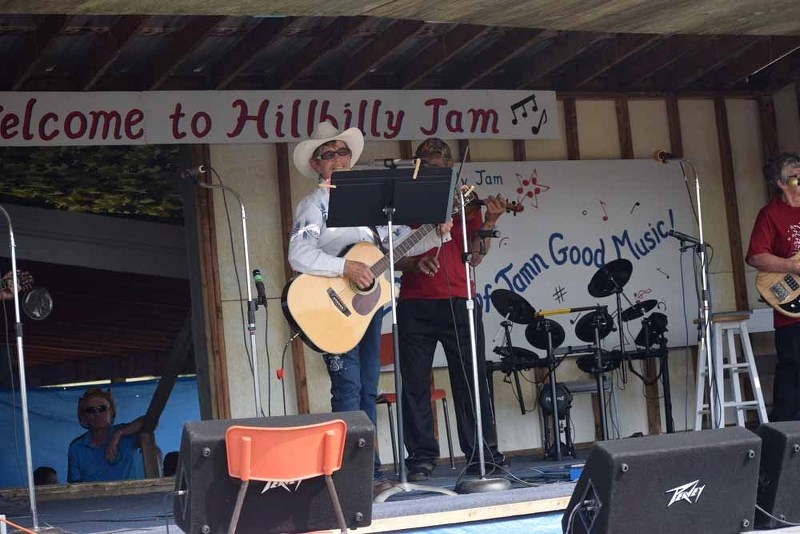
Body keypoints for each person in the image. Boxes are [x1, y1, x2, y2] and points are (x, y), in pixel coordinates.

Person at [288, 121, 450, 494]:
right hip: (331, 310)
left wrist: (430, 232)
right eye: (328, 155)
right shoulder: (313, 206)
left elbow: (392, 246)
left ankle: (371, 473)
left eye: (341, 152)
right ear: (316, 165)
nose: (338, 159)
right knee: (347, 388)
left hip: (368, 308)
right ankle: (353, 475)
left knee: (366, 388)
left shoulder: (371, 205)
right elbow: (299, 253)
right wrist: (345, 266)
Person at [395, 138, 508, 481]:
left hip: (460, 300)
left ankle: (483, 455)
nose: (436, 171)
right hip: (415, 303)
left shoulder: (464, 203)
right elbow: (391, 255)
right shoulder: (403, 203)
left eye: (442, 166)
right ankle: (421, 459)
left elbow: (474, 256)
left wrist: (489, 222)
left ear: (449, 167)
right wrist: (414, 263)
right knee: (414, 384)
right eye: (428, 166)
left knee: (471, 381)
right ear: (418, 168)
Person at [746, 152, 800, 421]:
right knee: (793, 375)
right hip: (792, 312)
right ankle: (785, 440)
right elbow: (756, 256)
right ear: (781, 182)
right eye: (794, 172)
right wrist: (793, 267)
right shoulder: (770, 214)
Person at [67, 387, 145, 483]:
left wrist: (118, 434)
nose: (97, 414)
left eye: (102, 409)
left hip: (129, 497)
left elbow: (151, 421)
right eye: (91, 410)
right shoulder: (76, 447)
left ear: (111, 412)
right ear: (84, 416)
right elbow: (74, 487)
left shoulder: (127, 433)